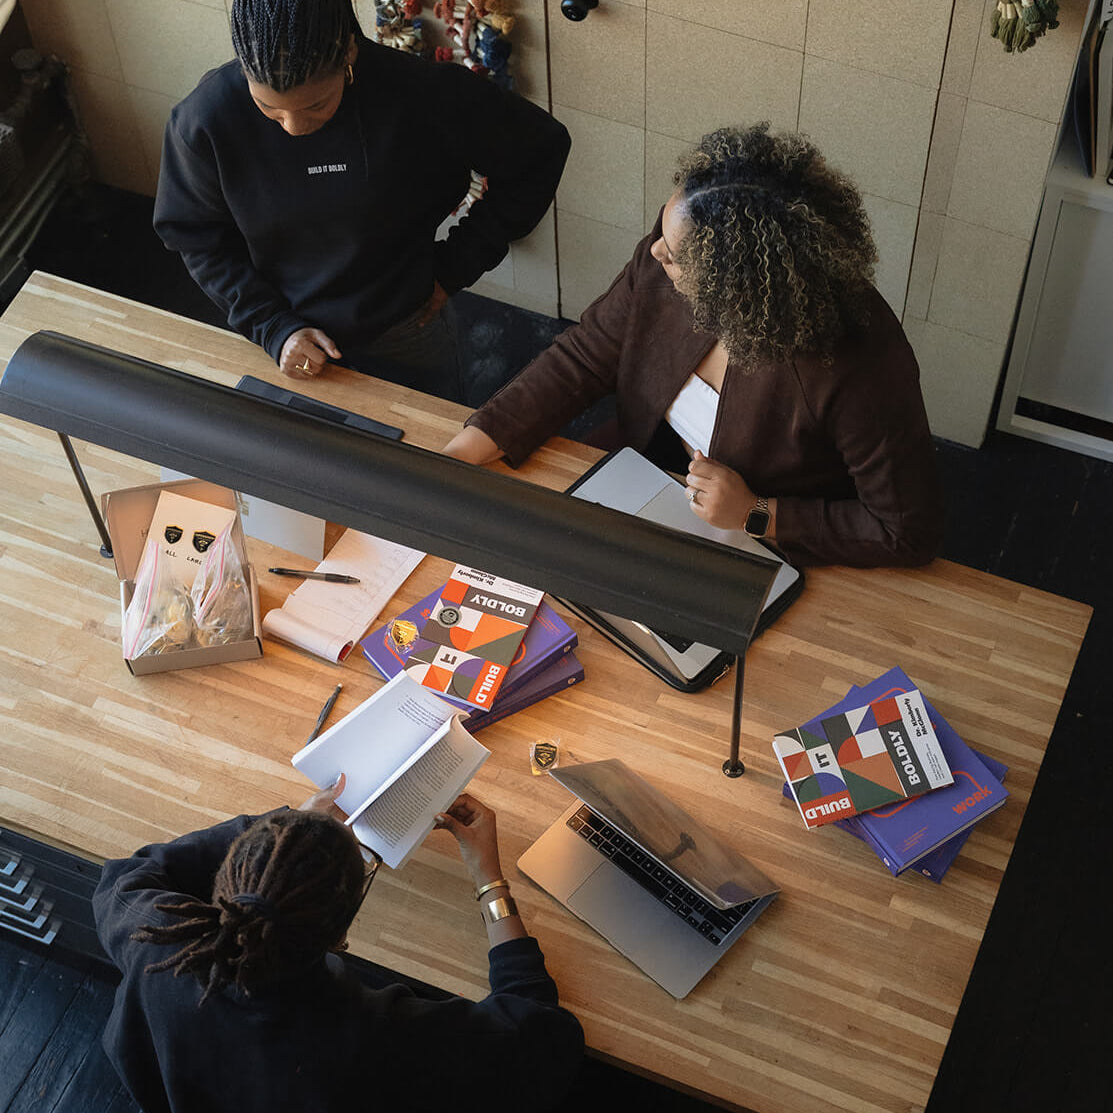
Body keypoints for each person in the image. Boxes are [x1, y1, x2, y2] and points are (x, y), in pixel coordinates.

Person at [444, 123, 944, 568]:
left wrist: (757, 513)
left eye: (675, 254)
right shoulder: (669, 255)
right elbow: (585, 356)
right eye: (663, 229)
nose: (654, 250)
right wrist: (466, 449)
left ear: (737, 284)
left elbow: (904, 531)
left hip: (768, 534)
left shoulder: (862, 366)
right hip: (649, 460)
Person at [153, 0, 570, 402]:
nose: (294, 127)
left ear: (349, 54)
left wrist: (456, 266)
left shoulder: (424, 94)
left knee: (431, 438)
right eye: (268, 108)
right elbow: (195, 235)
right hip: (279, 327)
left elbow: (539, 152)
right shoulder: (206, 119)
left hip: (406, 326)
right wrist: (271, 326)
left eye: (317, 105)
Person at [92, 779, 584, 1113]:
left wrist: (279, 831)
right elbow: (542, 1036)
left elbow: (124, 876)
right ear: (339, 939)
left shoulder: (160, 945)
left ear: (224, 884)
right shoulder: (379, 1039)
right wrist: (489, 880)